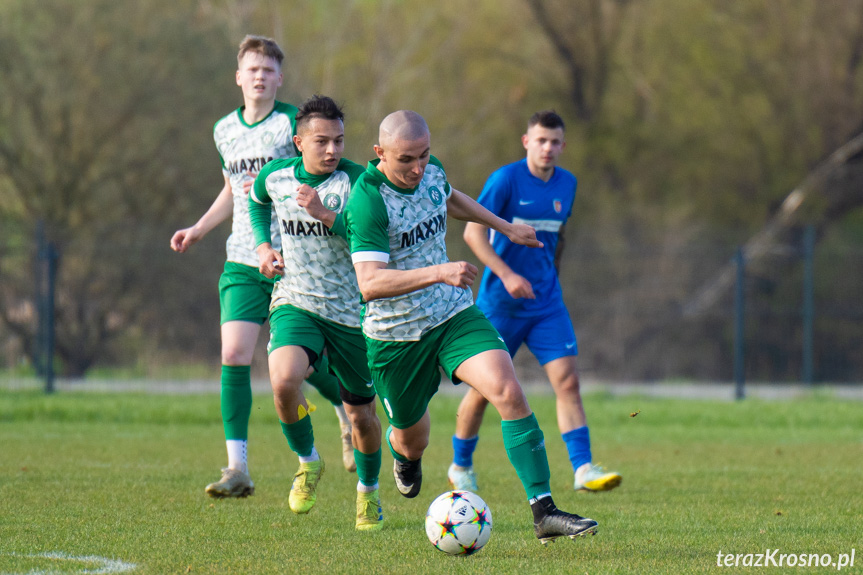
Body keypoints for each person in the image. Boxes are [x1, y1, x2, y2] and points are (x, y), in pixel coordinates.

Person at [344, 110, 599, 544]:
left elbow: (448, 197)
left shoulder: (430, 172)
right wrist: (438, 271)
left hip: (452, 315)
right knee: (412, 439)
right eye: (406, 159)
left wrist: (503, 227)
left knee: (508, 389)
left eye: (424, 156)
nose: (418, 168)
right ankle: (403, 456)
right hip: (396, 337)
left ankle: (544, 512)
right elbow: (369, 284)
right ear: (379, 153)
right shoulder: (367, 201)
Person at [169, 36, 353, 500]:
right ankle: (238, 468)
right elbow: (234, 189)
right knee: (234, 354)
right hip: (243, 256)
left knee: (301, 367)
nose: (259, 76)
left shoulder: (295, 123)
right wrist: (199, 228)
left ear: (279, 78)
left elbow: (321, 176)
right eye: (252, 69)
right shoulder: (223, 130)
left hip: (296, 258)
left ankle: (347, 407)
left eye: (268, 70)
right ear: (238, 76)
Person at [448, 110, 622, 494]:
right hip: (499, 305)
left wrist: (549, 277)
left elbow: (556, 240)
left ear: (563, 145)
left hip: (546, 305)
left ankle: (583, 469)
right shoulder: (505, 180)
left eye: (555, 141)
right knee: (482, 392)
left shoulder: (567, 185)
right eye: (540, 140)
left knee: (569, 382)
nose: (548, 148)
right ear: (526, 141)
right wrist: (508, 275)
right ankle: (461, 465)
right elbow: (473, 235)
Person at [249, 95, 384, 530]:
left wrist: (323, 213)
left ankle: (368, 494)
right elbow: (256, 200)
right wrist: (264, 246)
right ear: (299, 142)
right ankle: (308, 461)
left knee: (362, 415)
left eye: (339, 141)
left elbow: (371, 233)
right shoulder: (277, 176)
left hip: (351, 314)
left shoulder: (360, 183)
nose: (332, 150)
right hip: (296, 300)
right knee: (284, 381)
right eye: (322, 141)